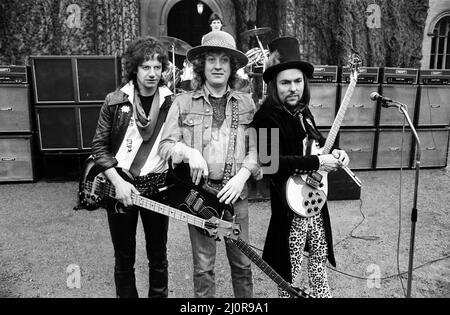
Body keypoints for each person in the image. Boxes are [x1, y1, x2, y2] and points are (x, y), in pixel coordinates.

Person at [158, 30, 261, 298]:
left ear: (232, 67)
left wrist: (243, 175)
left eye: (224, 60)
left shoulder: (247, 103)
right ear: (201, 65)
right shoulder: (181, 103)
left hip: (236, 196)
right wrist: (188, 152)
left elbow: (262, 149)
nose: (217, 66)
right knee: (204, 267)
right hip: (199, 196)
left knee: (242, 264)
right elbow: (164, 146)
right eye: (211, 59)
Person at [251, 36, 350, 298]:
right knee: (289, 275)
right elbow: (271, 164)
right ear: (275, 85)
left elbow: (316, 143)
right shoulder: (265, 117)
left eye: (297, 81)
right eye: (285, 82)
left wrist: (336, 154)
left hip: (314, 199)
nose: (293, 88)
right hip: (288, 207)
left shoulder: (304, 111)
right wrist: (318, 161)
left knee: (319, 257)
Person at [91, 36, 174, 298]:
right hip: (120, 187)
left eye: (157, 67)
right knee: (124, 258)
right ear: (134, 69)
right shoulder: (115, 101)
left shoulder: (173, 103)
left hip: (158, 187)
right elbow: (99, 148)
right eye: (146, 67)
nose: (152, 73)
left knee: (158, 256)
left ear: (163, 70)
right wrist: (117, 182)